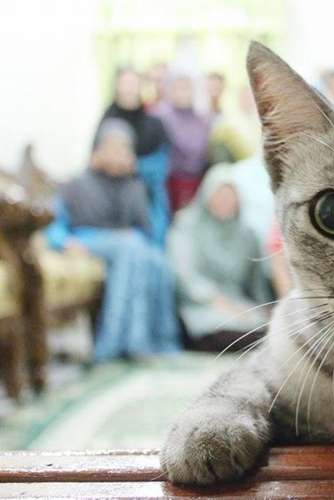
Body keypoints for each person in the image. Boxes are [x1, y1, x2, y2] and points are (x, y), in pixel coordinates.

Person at [46, 119, 180, 362]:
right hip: (86, 239)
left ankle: (161, 341)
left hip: (128, 244)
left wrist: (135, 181)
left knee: (158, 261)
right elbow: (52, 224)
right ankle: (114, 345)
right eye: (114, 147)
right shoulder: (76, 184)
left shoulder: (133, 185)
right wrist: (63, 242)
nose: (120, 154)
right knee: (131, 247)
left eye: (125, 148)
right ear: (97, 150)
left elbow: (149, 228)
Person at [168, 165, 273, 352]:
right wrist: (218, 301)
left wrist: (264, 306)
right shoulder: (186, 227)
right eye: (220, 194)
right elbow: (184, 276)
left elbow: (256, 282)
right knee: (224, 327)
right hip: (201, 305)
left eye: (230, 195)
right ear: (207, 195)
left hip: (238, 304)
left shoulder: (246, 234)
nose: (225, 201)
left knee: (267, 326)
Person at [99, 66, 171, 246]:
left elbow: (163, 164)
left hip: (148, 195)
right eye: (124, 83)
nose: (129, 89)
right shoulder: (106, 120)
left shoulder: (154, 123)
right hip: (110, 196)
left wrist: (135, 166)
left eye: (133, 83)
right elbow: (95, 159)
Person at [154, 73, 211, 213]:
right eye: (178, 87)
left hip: (196, 182)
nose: (183, 93)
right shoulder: (160, 116)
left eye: (187, 88)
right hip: (167, 182)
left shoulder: (202, 120)